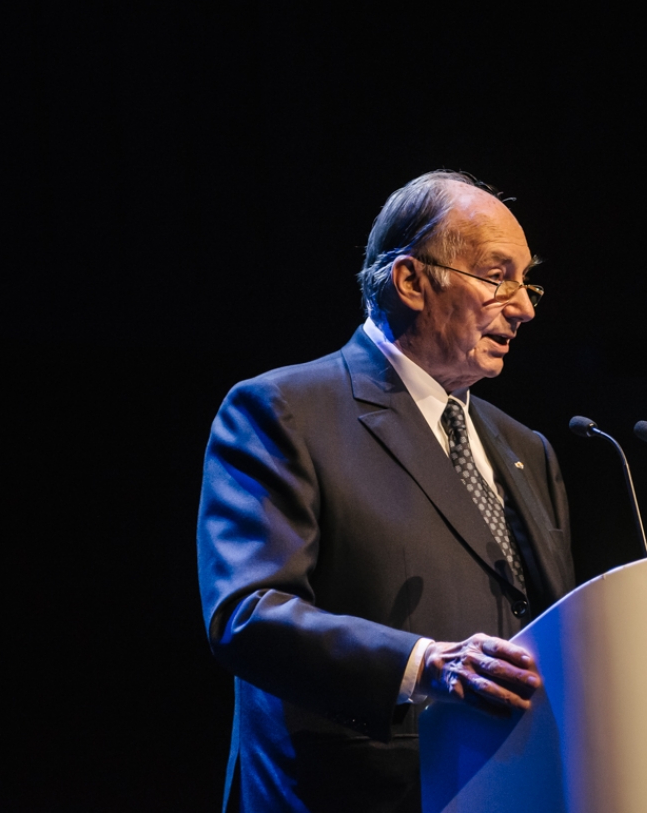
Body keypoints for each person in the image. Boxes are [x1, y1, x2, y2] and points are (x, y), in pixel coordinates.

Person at [197, 171, 578, 813]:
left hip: (516, 788)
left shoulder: (527, 448)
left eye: (527, 280)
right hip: (353, 793)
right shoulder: (285, 410)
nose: (524, 306)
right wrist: (425, 663)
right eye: (497, 277)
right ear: (410, 281)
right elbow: (248, 613)